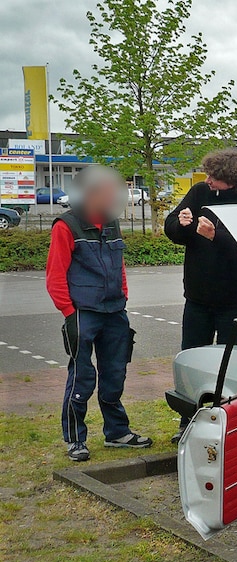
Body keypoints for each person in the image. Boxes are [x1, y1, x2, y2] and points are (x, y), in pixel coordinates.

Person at [46, 166, 153, 462]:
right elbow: (55, 275)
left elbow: (119, 267)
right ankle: (75, 439)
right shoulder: (66, 225)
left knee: (115, 373)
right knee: (82, 377)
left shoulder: (111, 222)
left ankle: (117, 432)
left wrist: (123, 296)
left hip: (115, 312)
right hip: (83, 313)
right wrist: (69, 311)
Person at [164, 149, 237, 442]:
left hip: (235, 300)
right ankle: (188, 422)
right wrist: (180, 224)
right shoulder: (199, 194)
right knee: (192, 358)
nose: (206, 180)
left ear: (231, 179)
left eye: (213, 176)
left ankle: (226, 422)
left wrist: (215, 237)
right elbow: (173, 230)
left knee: (229, 363)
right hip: (198, 298)